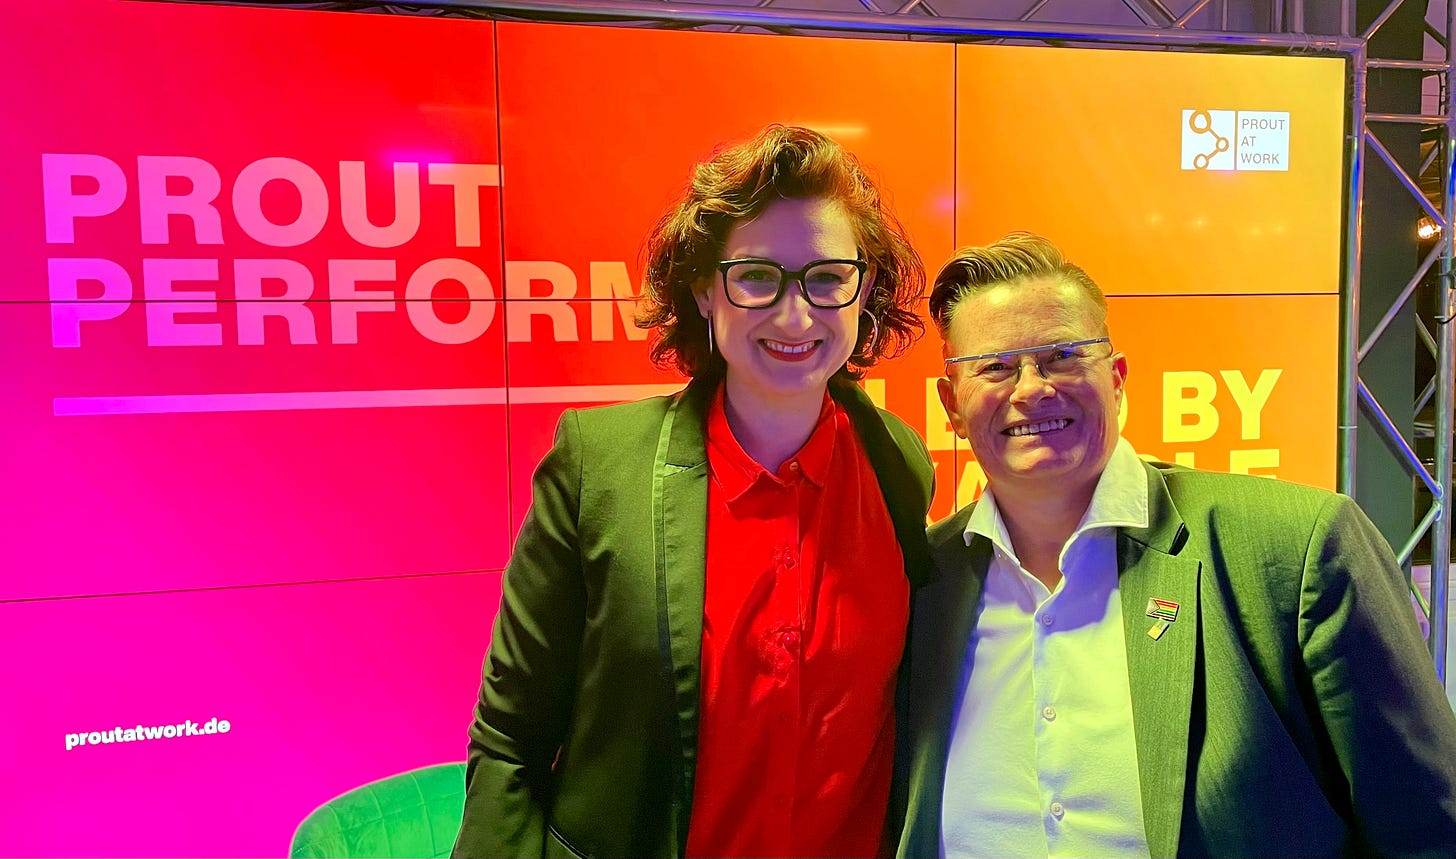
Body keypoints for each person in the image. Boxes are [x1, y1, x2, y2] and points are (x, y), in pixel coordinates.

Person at [453, 125, 934, 859]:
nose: (796, 314)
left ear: (863, 288)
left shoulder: (896, 462)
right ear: (707, 288)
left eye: (827, 277)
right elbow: (510, 738)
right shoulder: (599, 465)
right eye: (757, 276)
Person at [896, 232, 1456, 858]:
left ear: (1118, 377)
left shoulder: (1297, 547)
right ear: (950, 403)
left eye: (1062, 356)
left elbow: (1426, 827)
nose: (1032, 388)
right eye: (995, 367)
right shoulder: (920, 585)